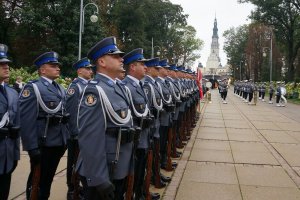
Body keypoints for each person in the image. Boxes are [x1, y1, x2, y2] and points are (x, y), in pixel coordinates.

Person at [77, 36, 134, 200]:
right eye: (115, 56)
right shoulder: (95, 91)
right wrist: (99, 178)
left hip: (118, 165)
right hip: (104, 170)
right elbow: (90, 139)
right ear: (101, 62)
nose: (121, 59)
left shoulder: (119, 88)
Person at [20, 51, 69, 199]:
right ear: (42, 69)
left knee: (47, 181)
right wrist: (32, 147)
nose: (58, 68)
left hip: (58, 142)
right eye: (53, 65)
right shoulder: (33, 88)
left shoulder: (60, 88)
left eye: (58, 65)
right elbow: (26, 120)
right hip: (43, 143)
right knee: (37, 181)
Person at [122, 48, 160, 200]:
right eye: (142, 64)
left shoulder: (139, 86)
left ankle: (140, 194)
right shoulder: (126, 87)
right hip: (134, 140)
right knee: (132, 174)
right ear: (132, 67)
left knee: (141, 171)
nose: (146, 67)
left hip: (144, 137)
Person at [65, 57, 93, 199]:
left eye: (90, 68)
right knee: (73, 162)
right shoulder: (75, 87)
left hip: (85, 133)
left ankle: (78, 187)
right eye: (87, 68)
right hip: (76, 134)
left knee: (81, 162)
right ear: (79, 71)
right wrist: (76, 133)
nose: (90, 71)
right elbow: (72, 112)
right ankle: (71, 189)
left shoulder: (88, 85)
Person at [0, 43, 20, 200]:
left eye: (7, 64)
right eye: (1, 64)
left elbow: (16, 126)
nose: (6, 67)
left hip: (7, 156)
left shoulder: (12, 93)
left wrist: (15, 156)